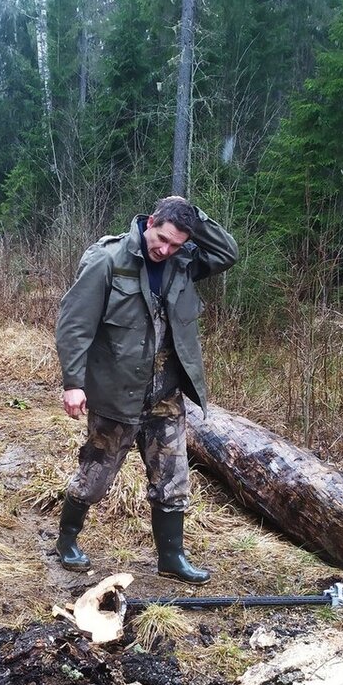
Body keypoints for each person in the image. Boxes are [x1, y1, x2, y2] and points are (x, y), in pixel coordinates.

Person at [54, 196, 239, 584]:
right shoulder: (108, 260)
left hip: (165, 393)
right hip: (117, 393)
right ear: (150, 222)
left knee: (173, 480)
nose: (165, 250)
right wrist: (73, 383)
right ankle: (67, 541)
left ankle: (171, 558)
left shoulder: (183, 262)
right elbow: (74, 325)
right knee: (95, 478)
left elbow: (227, 252)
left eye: (176, 244)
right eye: (162, 239)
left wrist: (193, 216)